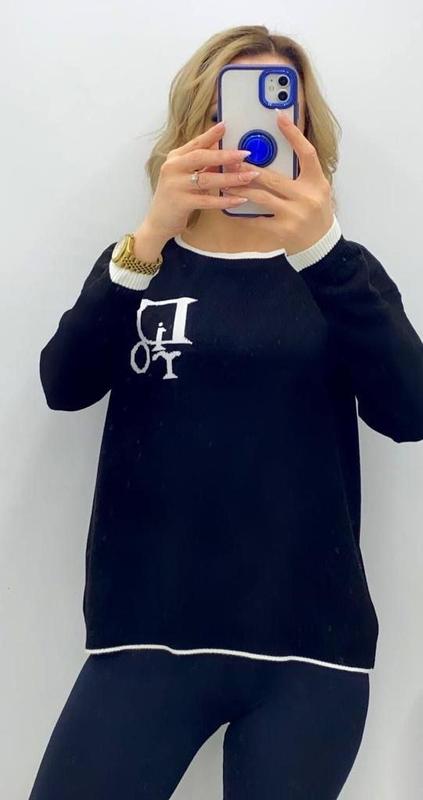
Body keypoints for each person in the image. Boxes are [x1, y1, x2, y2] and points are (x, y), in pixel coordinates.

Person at [29, 24, 423, 800]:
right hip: (145, 636)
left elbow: (408, 410)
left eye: (281, 107)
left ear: (304, 131)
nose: (251, 129)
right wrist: (150, 233)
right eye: (228, 105)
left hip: (309, 649)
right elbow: (64, 384)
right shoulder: (143, 264)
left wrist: (323, 251)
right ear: (193, 122)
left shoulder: (340, 272)